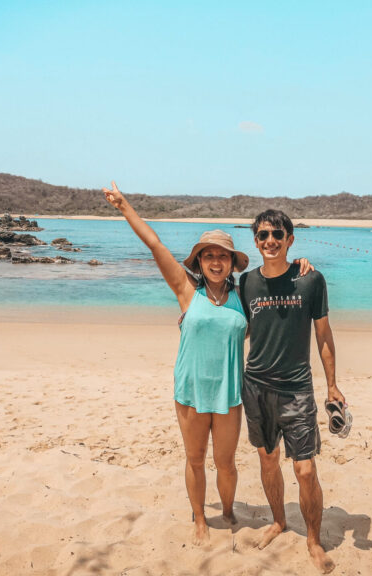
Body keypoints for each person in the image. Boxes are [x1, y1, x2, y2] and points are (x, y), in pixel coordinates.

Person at [103, 182, 312, 546]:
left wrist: (299, 266)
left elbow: (275, 290)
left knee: (227, 464)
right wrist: (124, 207)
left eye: (223, 256)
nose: (216, 262)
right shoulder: (186, 290)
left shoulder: (243, 295)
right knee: (195, 459)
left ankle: (228, 510)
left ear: (232, 263)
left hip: (230, 393)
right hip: (191, 390)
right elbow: (155, 245)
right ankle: (200, 517)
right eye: (208, 256)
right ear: (199, 261)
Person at [239, 209, 346, 574]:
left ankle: (313, 540)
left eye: (277, 235)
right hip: (255, 386)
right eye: (263, 235)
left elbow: (324, 335)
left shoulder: (310, 279)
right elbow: (241, 327)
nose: (270, 241)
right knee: (267, 460)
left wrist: (332, 384)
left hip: (297, 390)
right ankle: (279, 521)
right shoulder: (245, 283)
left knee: (304, 470)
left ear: (290, 240)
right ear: (255, 240)